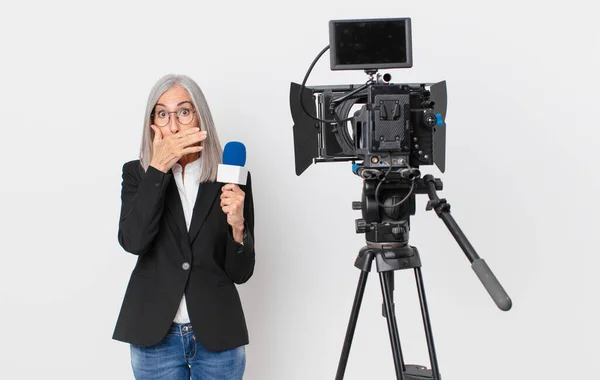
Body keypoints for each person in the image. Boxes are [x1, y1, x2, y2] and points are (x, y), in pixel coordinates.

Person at [112, 74, 255, 380]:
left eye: (183, 112)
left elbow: (240, 273)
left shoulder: (229, 175)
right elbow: (133, 241)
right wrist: (159, 168)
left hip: (218, 331)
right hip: (153, 334)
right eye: (162, 114)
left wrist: (238, 227)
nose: (173, 125)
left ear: (200, 117)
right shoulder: (137, 174)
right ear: (152, 123)